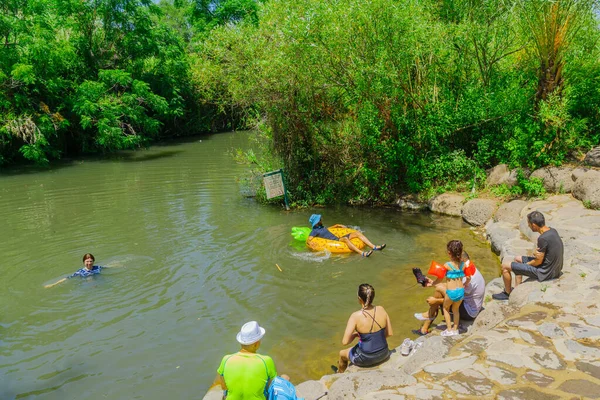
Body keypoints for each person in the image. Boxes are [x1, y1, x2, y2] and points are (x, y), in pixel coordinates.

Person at [492, 211, 564, 300]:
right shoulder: (552, 231)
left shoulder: (543, 238)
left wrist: (526, 265)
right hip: (555, 269)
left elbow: (538, 261)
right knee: (517, 259)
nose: (528, 226)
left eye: (529, 224)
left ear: (534, 225)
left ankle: (507, 293)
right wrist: (535, 254)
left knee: (505, 266)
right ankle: (517, 288)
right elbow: (542, 255)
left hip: (544, 272)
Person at [412, 250, 485, 336]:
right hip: (468, 303)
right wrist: (432, 283)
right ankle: (426, 324)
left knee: (439, 291)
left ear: (460, 259)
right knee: (439, 289)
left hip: (468, 312)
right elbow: (453, 286)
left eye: (453, 259)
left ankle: (428, 319)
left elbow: (456, 298)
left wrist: (436, 301)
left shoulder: (467, 276)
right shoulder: (469, 268)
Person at [217, 321, 286, 400]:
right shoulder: (266, 361)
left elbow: (223, 387)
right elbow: (273, 386)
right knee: (285, 377)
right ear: (256, 343)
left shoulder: (226, 359)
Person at [335, 283, 393, 373]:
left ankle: (339, 374)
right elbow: (389, 333)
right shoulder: (381, 309)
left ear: (359, 299)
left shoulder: (355, 316)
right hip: (384, 353)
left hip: (365, 358)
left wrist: (354, 335)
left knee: (342, 353)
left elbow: (345, 342)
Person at [307, 214, 386, 257]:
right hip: (336, 241)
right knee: (345, 239)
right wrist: (310, 243)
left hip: (338, 238)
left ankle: (374, 247)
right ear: (317, 222)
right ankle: (362, 253)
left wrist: (336, 225)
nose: (321, 220)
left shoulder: (321, 227)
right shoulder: (314, 231)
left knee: (357, 233)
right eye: (320, 219)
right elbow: (309, 239)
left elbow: (327, 229)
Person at [440, 240, 468, 337]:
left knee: (446, 308)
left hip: (451, 292)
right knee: (456, 310)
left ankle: (449, 330)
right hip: (460, 291)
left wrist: (432, 283)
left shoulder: (447, 265)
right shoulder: (463, 265)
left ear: (449, 253)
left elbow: (439, 278)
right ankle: (455, 330)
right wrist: (465, 284)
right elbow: (468, 278)